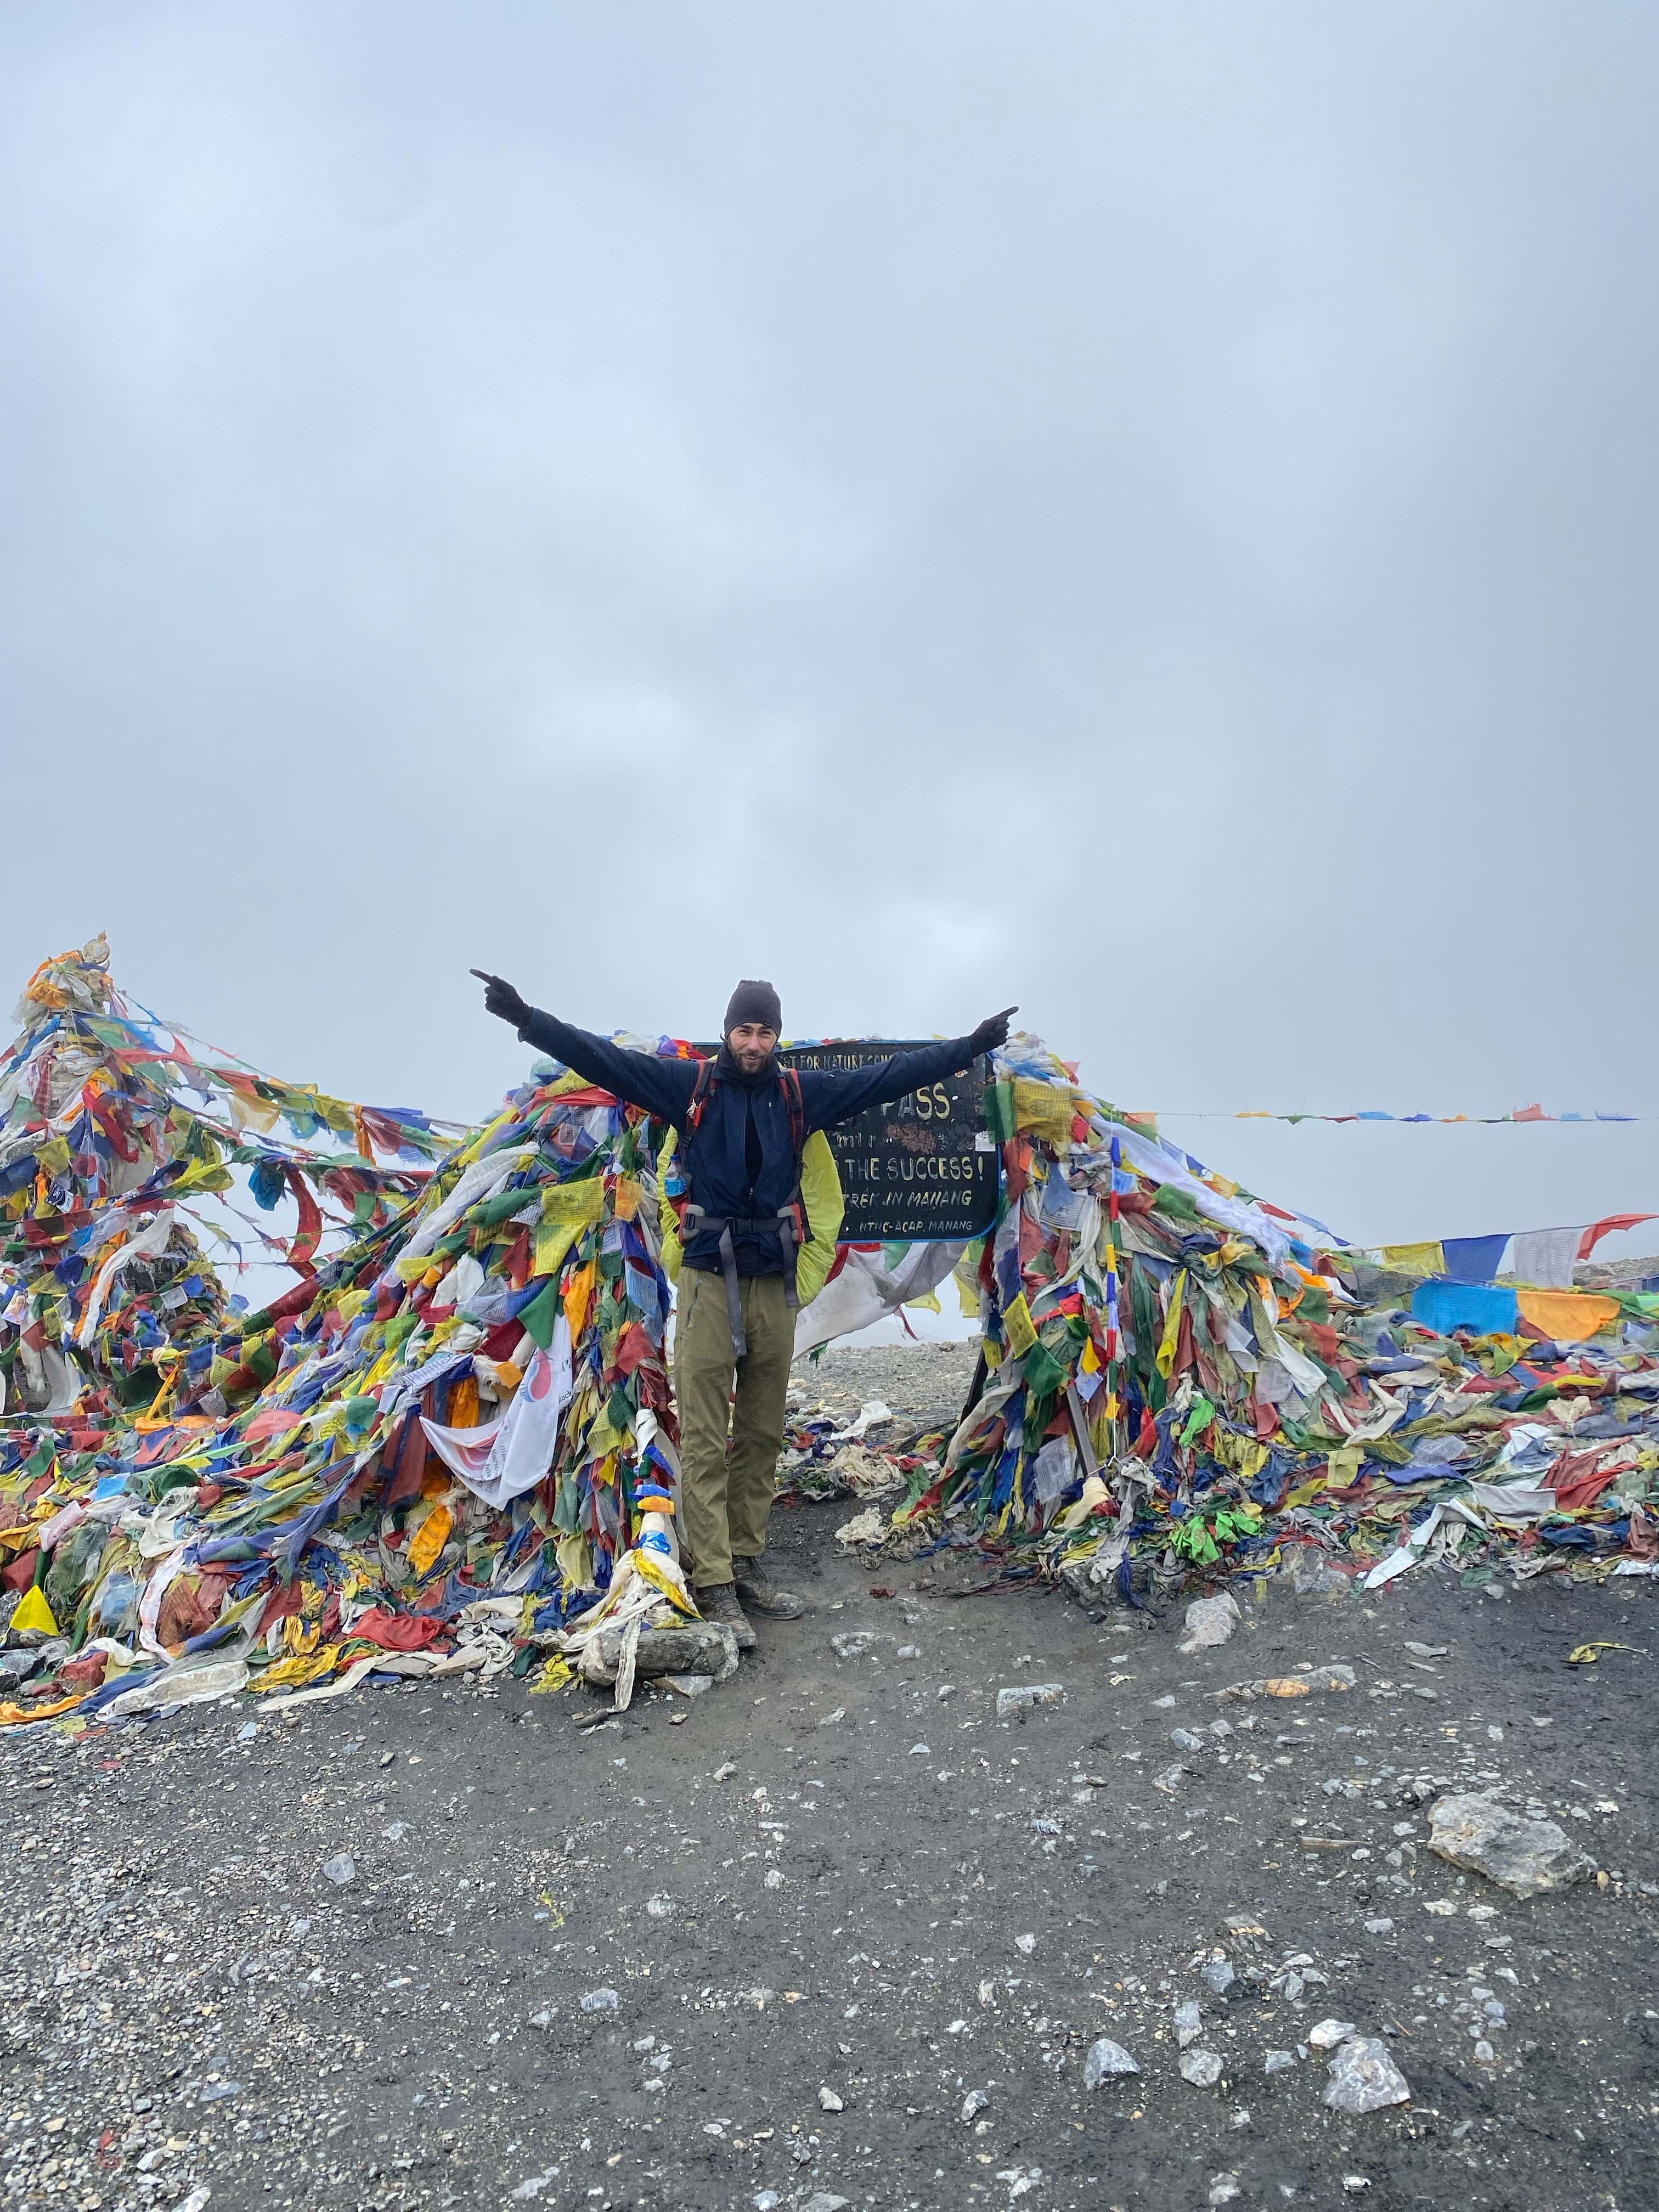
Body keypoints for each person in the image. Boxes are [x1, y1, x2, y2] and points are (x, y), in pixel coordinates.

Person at [475, 972, 1015, 1649]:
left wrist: (970, 1045)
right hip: (706, 1284)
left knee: (760, 1432)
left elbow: (889, 1079)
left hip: (774, 1287)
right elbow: (602, 1060)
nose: (753, 1043)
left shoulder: (798, 1095)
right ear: (728, 1031)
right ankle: (716, 1583)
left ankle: (746, 1558)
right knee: (704, 1433)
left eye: (764, 1032)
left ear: (776, 1037)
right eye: (744, 1030)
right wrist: (526, 1016)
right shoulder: (690, 1088)